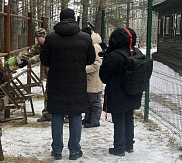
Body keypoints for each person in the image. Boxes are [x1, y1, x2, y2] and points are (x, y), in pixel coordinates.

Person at [40, 8, 95, 160]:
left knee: (57, 115)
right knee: (76, 115)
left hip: (57, 82)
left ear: (60, 19)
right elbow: (91, 60)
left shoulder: (51, 38)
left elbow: (44, 60)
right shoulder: (85, 37)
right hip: (77, 82)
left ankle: (57, 150)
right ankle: (75, 151)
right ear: (74, 19)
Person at [99, 27, 143, 156]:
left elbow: (104, 77)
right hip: (133, 91)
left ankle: (119, 147)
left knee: (118, 120)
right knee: (129, 117)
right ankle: (129, 145)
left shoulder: (114, 56)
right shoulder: (137, 52)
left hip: (117, 93)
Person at [80, 27, 104, 128]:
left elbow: (97, 64)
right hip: (88, 78)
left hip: (93, 78)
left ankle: (95, 120)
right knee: (88, 101)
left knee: (95, 102)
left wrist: (82, 69)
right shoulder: (90, 45)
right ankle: (88, 118)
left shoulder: (95, 47)